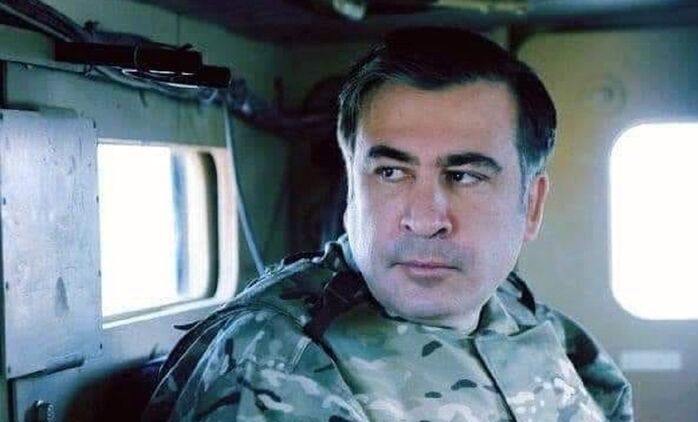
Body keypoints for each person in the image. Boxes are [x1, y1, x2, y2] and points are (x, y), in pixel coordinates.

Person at [144, 27, 633, 421]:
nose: (425, 220)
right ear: (352, 187)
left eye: (464, 176)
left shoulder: (529, 320)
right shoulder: (279, 365)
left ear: (532, 205)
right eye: (391, 173)